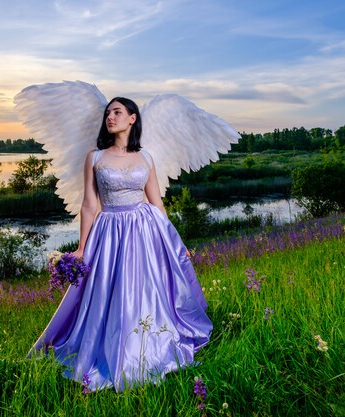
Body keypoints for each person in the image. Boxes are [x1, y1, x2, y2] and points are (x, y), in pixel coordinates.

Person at [28, 96, 213, 392]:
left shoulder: (146, 158)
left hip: (145, 230)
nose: (110, 117)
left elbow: (157, 203)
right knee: (107, 291)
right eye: (107, 113)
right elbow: (89, 205)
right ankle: (108, 347)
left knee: (145, 290)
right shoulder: (96, 157)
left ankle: (146, 345)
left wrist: (173, 240)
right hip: (110, 230)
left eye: (117, 112)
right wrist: (81, 247)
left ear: (132, 118)